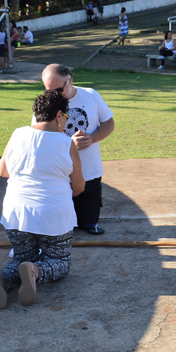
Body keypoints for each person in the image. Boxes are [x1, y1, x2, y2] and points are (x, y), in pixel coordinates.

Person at [0, 89, 85, 309]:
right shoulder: (66, 143)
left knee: (22, 256)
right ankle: (35, 272)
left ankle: (3, 279)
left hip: (16, 211)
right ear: (59, 115)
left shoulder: (18, 133)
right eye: (66, 118)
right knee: (59, 261)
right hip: (53, 213)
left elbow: (3, 170)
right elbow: (79, 187)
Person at [39, 64, 116, 235]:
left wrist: (93, 138)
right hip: (60, 173)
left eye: (58, 90)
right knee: (62, 223)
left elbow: (109, 123)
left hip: (90, 169)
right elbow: (38, 135)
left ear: (70, 80)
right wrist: (68, 144)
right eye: (48, 91)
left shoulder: (90, 95)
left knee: (88, 220)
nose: (54, 95)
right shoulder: (46, 103)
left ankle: (88, 222)